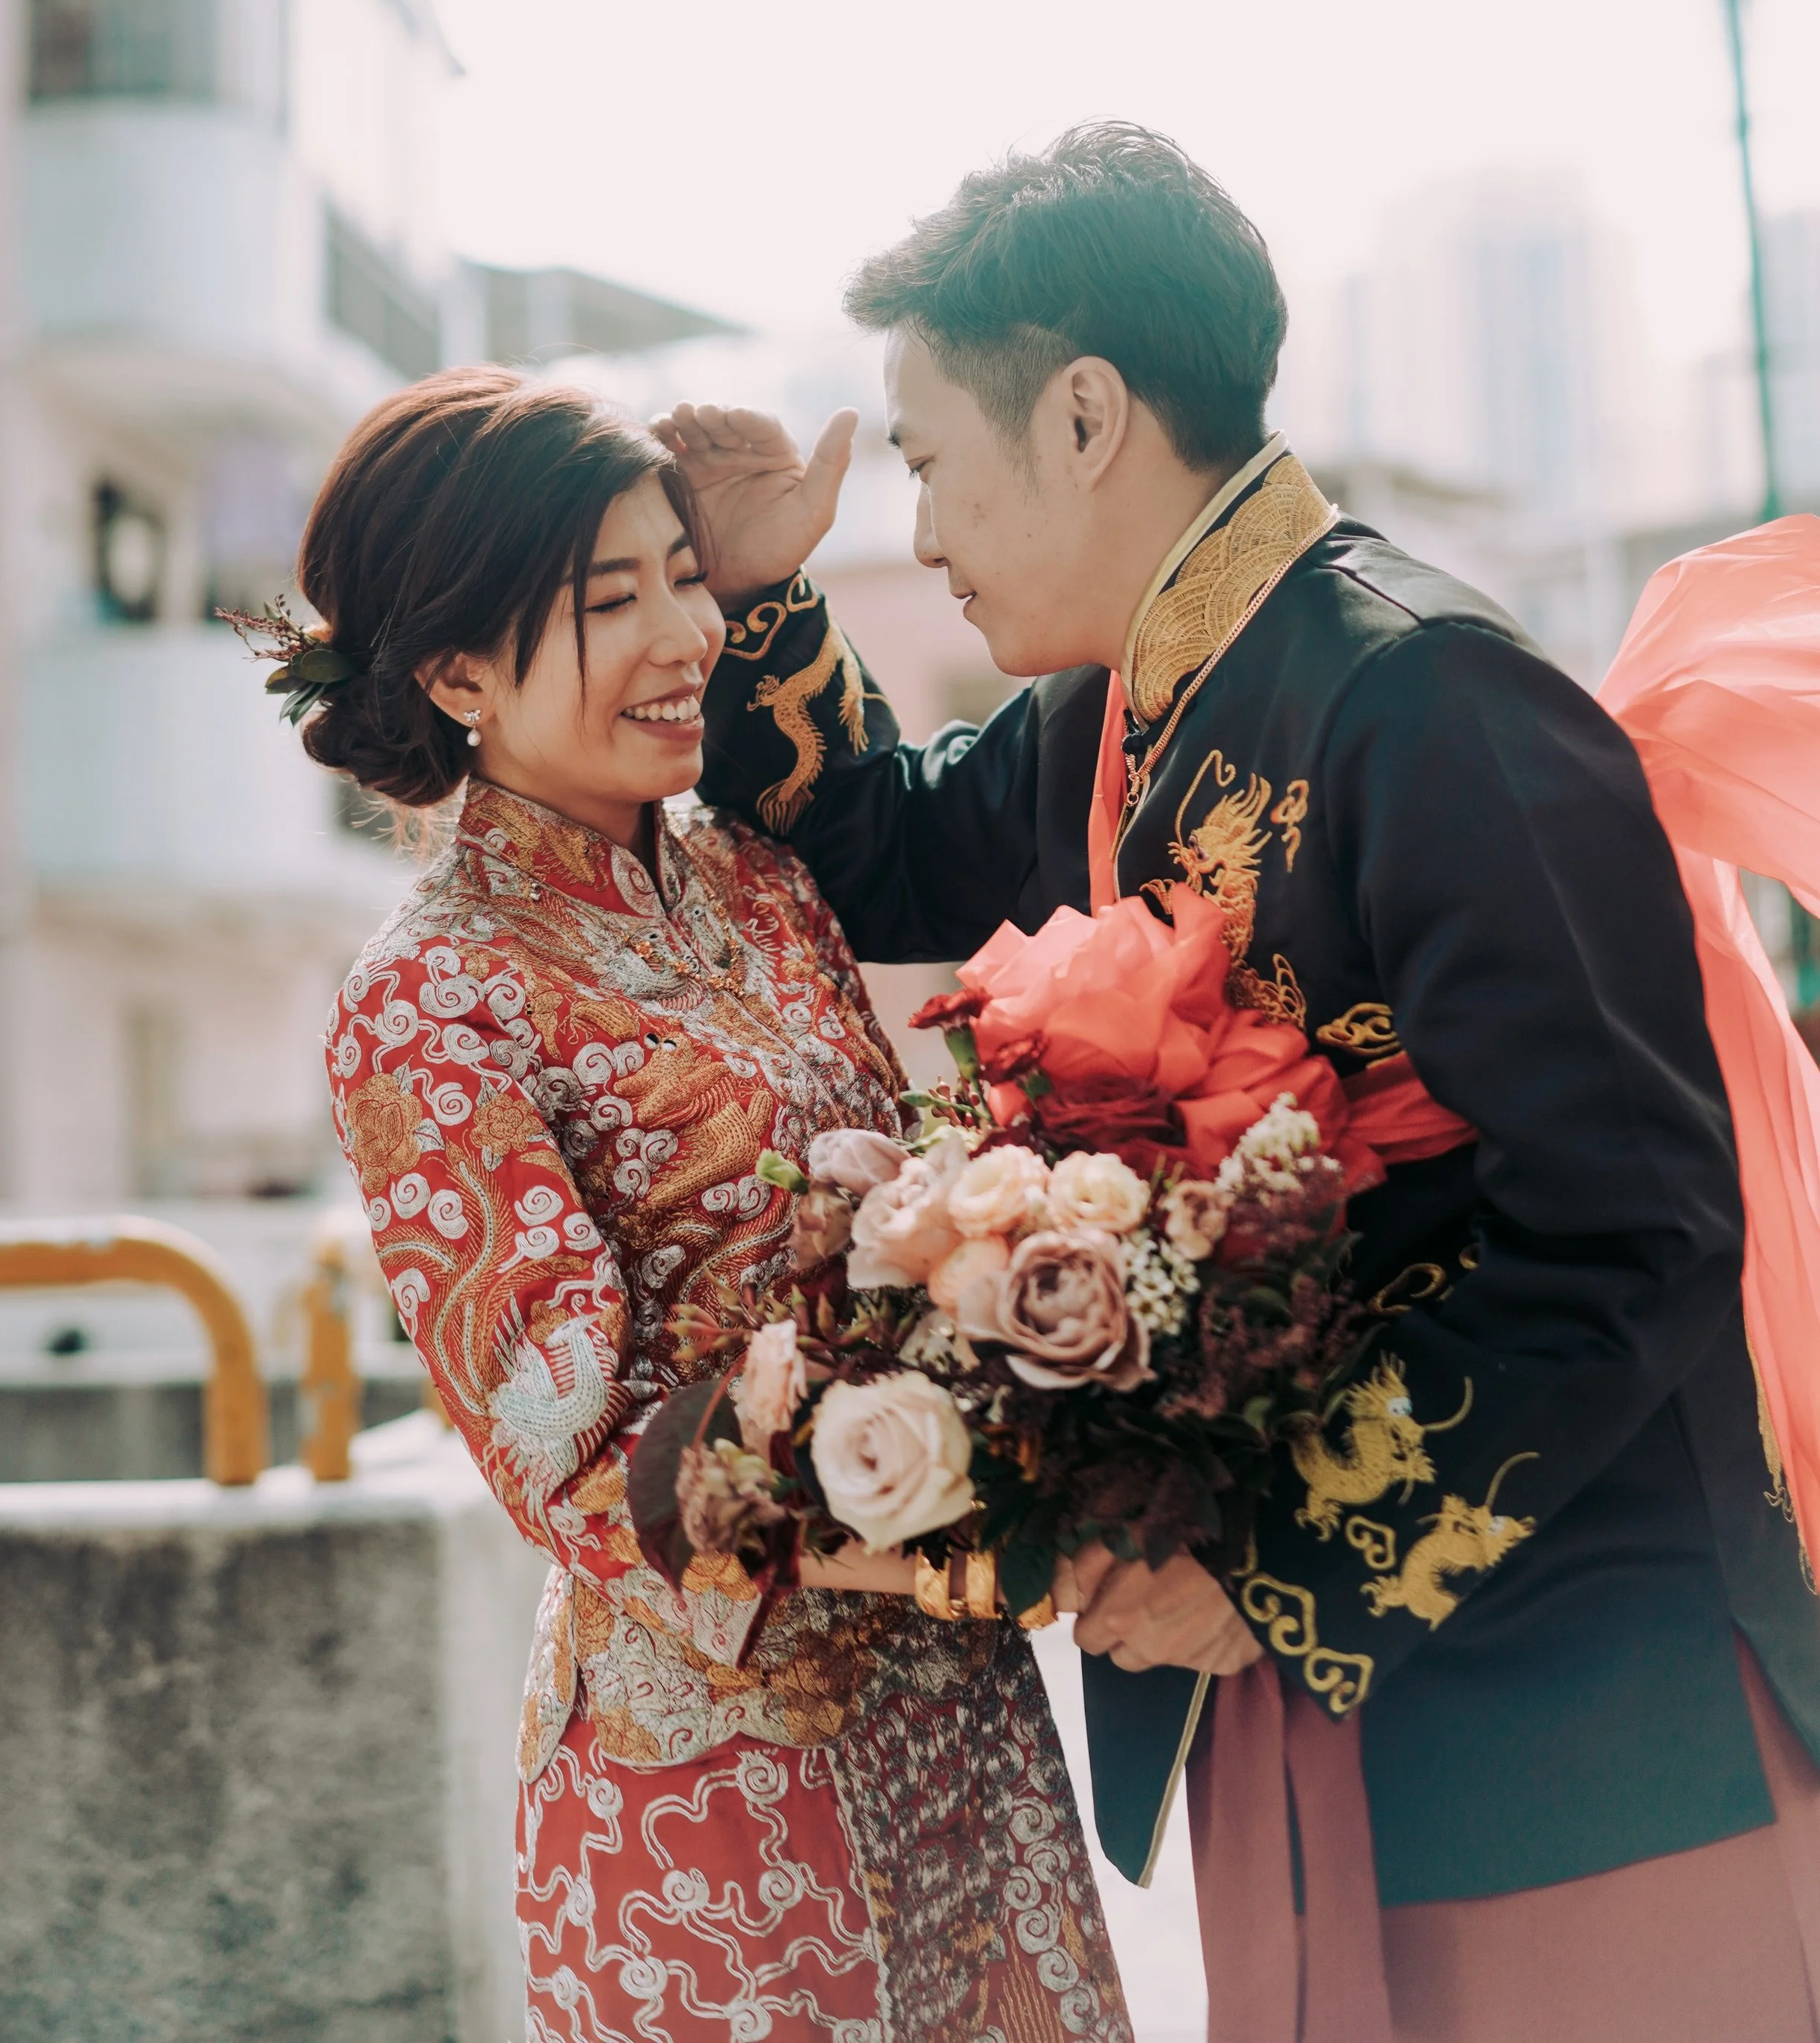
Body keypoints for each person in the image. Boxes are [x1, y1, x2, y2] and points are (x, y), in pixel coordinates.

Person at [666, 121, 1820, 2043]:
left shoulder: (1433, 698)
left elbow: (1631, 1224)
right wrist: (764, 599)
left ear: (1085, 414)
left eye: (929, 462)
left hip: (1571, 1688)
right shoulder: (1105, 716)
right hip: (1284, 1675)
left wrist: (1281, 1564)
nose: (921, 533)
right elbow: (870, 845)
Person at [270, 366, 1131, 2043]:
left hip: (956, 1720)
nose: (686, 634)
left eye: (684, 575)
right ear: (456, 671)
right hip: (714, 1787)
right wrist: (969, 1543)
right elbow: (576, 1462)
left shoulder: (758, 875)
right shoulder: (429, 997)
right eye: (612, 598)